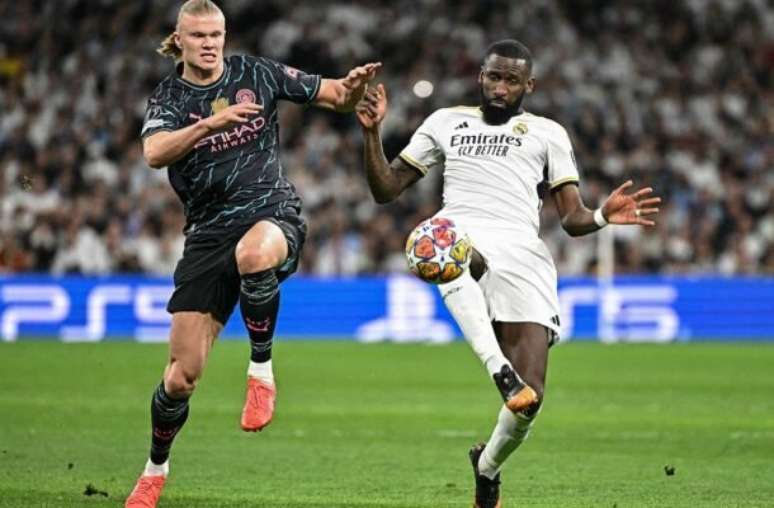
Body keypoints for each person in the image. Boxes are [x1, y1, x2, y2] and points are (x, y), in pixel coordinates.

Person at [355, 39, 660, 508]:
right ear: (480, 76)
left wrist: (601, 216)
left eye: (511, 80)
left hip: (520, 254)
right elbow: (386, 189)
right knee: (437, 243)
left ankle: (487, 466)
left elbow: (572, 218)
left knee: (530, 400)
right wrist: (373, 133)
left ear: (528, 86)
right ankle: (498, 370)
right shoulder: (444, 122)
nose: (500, 88)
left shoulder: (547, 133)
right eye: (493, 77)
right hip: (460, 233)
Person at [125, 1, 379, 506]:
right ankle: (154, 470)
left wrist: (351, 90)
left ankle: (261, 371)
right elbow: (154, 153)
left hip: (271, 213)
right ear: (178, 40)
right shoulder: (171, 97)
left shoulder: (255, 72)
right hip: (205, 235)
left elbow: (332, 95)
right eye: (198, 35)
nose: (210, 43)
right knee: (180, 378)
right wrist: (207, 127)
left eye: (216, 33)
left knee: (255, 253)